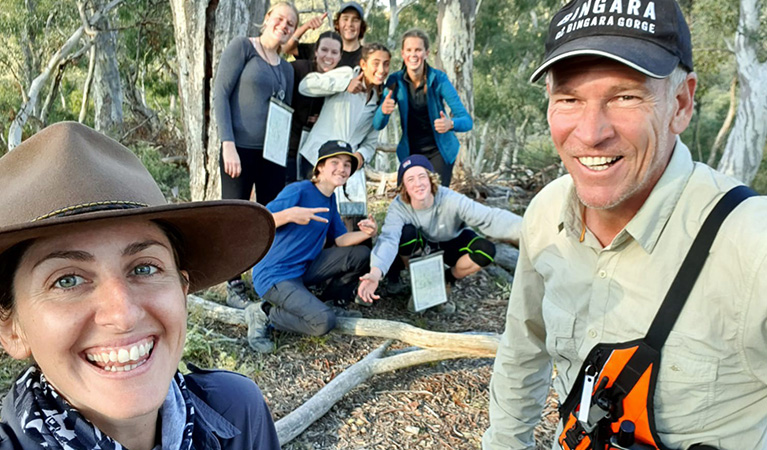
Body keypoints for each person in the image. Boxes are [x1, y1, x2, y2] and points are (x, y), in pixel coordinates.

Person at [483, 0, 767, 448]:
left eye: (625, 96)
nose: (591, 132)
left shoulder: (751, 244)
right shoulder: (546, 214)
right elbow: (523, 350)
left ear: (681, 102)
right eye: (569, 99)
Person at [0, 122, 280, 450]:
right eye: (67, 280)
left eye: (144, 268)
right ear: (11, 330)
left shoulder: (238, 412)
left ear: (182, 290)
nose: (124, 315)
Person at [248, 140, 377, 353]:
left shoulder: (330, 200)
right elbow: (259, 222)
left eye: (347, 164)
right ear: (320, 167)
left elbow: (340, 240)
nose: (342, 168)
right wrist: (291, 214)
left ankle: (334, 301)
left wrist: (366, 233)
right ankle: (265, 313)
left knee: (361, 254)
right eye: (335, 162)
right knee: (323, 322)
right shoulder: (298, 190)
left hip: (305, 269)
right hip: (275, 275)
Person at [356, 155, 522, 313]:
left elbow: (489, 217)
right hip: (420, 247)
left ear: (431, 178)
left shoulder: (450, 198)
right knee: (406, 234)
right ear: (404, 186)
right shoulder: (398, 207)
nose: (418, 184)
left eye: (422, 176)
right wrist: (375, 273)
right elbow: (388, 240)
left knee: (485, 250)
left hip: (450, 240)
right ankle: (419, 281)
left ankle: (446, 279)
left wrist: (527, 228)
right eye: (410, 179)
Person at [213, 1, 298, 308]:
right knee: (234, 215)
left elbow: (284, 111)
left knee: (270, 216)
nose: (284, 25)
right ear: (266, 19)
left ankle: (268, 276)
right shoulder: (243, 48)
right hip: (240, 150)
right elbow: (220, 93)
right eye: (279, 18)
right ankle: (233, 282)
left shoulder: (286, 69)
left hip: (272, 155)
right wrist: (227, 143)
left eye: (290, 23)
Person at [372, 29, 472, 187]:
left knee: (434, 199)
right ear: (403, 54)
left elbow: (467, 121)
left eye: (418, 50)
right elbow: (378, 124)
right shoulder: (395, 81)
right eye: (409, 50)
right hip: (411, 151)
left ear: (426, 53)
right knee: (408, 199)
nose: (413, 55)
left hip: (440, 152)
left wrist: (450, 124)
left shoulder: (439, 79)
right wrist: (383, 111)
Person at [287, 31, 344, 183]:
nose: (328, 56)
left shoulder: (342, 81)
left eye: (334, 52)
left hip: (316, 152)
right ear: (316, 51)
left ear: (340, 56)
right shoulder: (297, 69)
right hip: (288, 146)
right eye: (324, 50)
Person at [283, 1, 368, 69]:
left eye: (355, 20)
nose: (349, 24)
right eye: (345, 19)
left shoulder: (368, 57)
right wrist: (306, 27)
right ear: (337, 23)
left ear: (362, 25)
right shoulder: (323, 50)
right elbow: (287, 48)